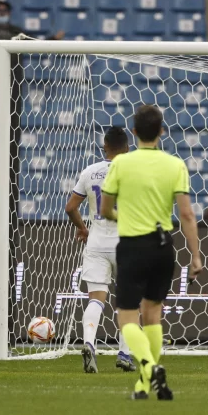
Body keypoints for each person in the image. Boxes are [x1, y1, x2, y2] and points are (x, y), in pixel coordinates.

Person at [100, 105, 203, 400]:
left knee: (128, 318)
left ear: (134, 133)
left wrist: (123, 218)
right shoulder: (175, 166)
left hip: (133, 246)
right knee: (154, 316)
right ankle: (144, 386)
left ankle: (148, 364)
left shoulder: (121, 164)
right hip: (163, 247)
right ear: (161, 131)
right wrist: (195, 255)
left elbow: (105, 209)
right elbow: (186, 215)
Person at [64, 127, 135, 374]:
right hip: (126, 243)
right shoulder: (134, 171)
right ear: (127, 148)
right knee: (129, 302)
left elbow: (71, 206)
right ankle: (125, 354)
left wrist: (83, 228)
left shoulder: (90, 171)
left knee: (96, 299)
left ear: (104, 146)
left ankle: (89, 344)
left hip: (96, 243)